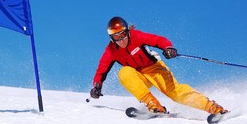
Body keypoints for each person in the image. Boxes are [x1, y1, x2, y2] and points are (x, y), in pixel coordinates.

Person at [90, 16, 228, 115]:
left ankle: (212, 107)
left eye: (123, 35)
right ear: (111, 38)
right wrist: (97, 85)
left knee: (175, 93)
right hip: (139, 75)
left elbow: (158, 40)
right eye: (116, 37)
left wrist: (168, 48)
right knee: (124, 72)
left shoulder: (136, 36)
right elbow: (101, 69)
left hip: (155, 69)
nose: (121, 40)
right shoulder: (111, 50)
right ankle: (153, 104)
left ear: (127, 31)